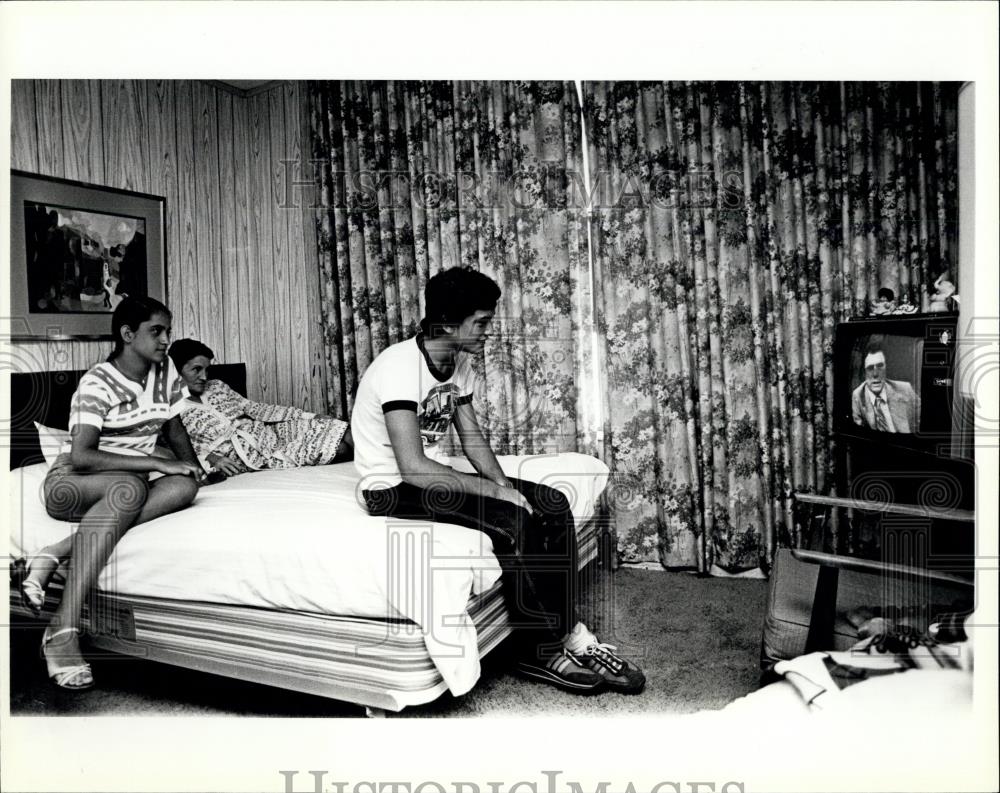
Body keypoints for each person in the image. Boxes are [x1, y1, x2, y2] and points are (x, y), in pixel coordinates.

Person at [352, 266, 645, 695]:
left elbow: (471, 439)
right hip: (389, 489)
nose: (489, 332)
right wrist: (493, 491)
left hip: (426, 478)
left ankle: (569, 633)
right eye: (482, 322)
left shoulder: (457, 363)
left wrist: (503, 483)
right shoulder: (398, 367)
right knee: (510, 522)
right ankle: (539, 652)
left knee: (550, 502)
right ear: (449, 324)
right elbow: (413, 466)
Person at [20, 297, 204, 690]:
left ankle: (55, 552)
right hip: (71, 484)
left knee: (183, 487)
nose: (166, 340)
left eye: (167, 331)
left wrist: (190, 467)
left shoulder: (165, 370)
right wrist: (159, 462)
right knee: (130, 487)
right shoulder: (96, 382)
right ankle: (62, 630)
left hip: (122, 486)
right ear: (127, 334)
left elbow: (172, 426)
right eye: (156, 331)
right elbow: (83, 456)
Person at [168, 339, 351, 476]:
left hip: (270, 434)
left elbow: (256, 409)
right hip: (253, 455)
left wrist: (309, 416)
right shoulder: (171, 407)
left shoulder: (217, 386)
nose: (204, 376)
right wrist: (212, 458)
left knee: (343, 429)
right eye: (196, 369)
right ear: (176, 370)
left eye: (207, 370)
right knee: (341, 449)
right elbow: (173, 448)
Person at [851, 340, 920, 433]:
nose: (875, 374)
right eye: (870, 368)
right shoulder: (858, 396)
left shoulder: (905, 389)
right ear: (864, 373)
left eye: (880, 366)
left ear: (886, 368)